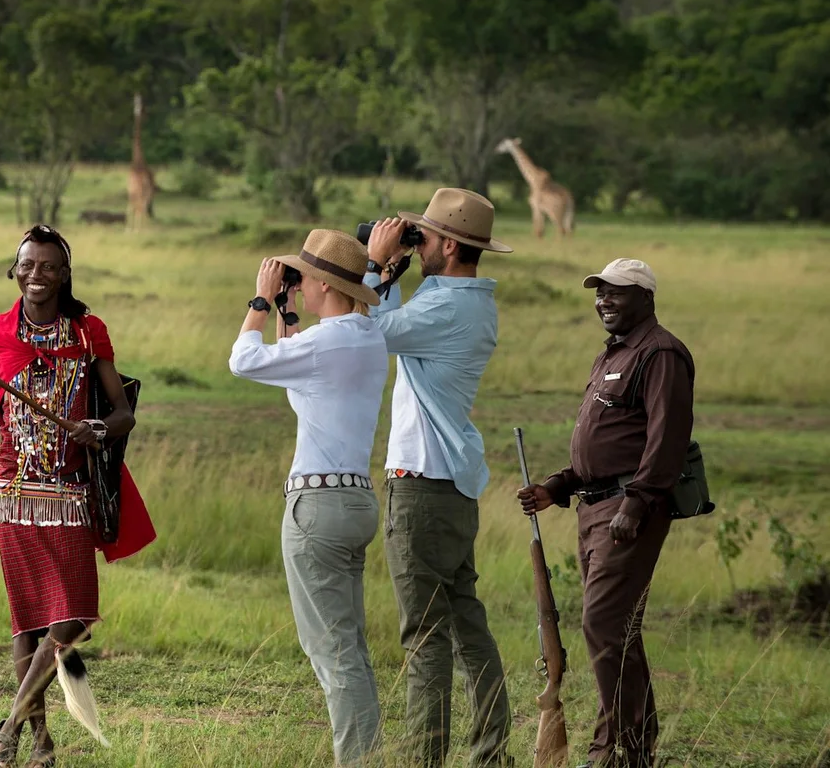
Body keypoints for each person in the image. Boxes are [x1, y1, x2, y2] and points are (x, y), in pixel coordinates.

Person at [0, 224, 155, 768]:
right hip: (13, 495)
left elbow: (122, 412)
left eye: (49, 266)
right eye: (27, 265)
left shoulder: (88, 332)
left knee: (74, 618)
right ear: (14, 271)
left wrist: (97, 430)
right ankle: (38, 742)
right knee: (30, 623)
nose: (37, 275)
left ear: (65, 274)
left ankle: (8, 724)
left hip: (68, 494)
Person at [517, 259, 694, 768]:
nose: (604, 301)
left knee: (602, 623)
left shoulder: (660, 353)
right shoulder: (614, 355)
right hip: (594, 508)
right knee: (618, 629)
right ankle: (632, 751)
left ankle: (610, 752)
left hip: (626, 510)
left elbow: (666, 440)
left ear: (646, 298)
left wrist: (636, 504)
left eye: (617, 292)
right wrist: (558, 485)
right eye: (600, 292)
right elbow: (605, 446)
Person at [362, 188, 515, 767]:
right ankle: (490, 753)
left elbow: (370, 337)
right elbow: (393, 323)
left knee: (423, 637)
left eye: (423, 236)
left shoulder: (446, 306)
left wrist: (377, 267)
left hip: (422, 485)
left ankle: (425, 758)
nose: (417, 242)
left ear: (449, 245)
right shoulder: (462, 300)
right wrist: (393, 273)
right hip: (451, 484)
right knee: (466, 625)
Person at [228, 230, 389, 766]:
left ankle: (357, 760)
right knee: (351, 648)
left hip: (316, 510)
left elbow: (244, 362)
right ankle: (366, 751)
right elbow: (303, 383)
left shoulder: (329, 343)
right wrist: (287, 313)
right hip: (356, 503)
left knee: (333, 653)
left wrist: (258, 302)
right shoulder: (363, 337)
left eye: (304, 277)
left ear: (322, 282)